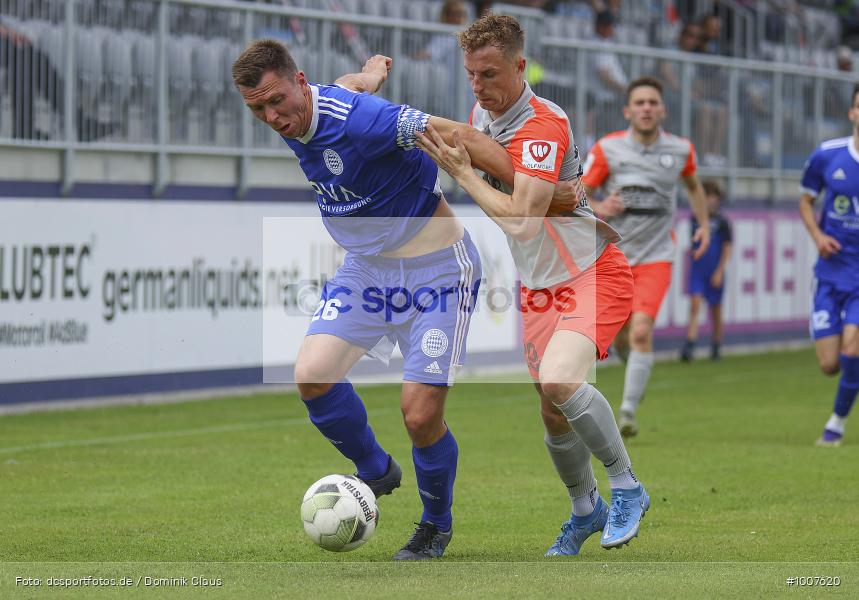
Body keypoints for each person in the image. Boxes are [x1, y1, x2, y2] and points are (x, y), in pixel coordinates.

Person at [231, 40, 513, 560]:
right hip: (367, 273)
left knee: (419, 415)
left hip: (439, 271)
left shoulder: (362, 120)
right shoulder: (315, 104)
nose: (271, 116)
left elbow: (457, 134)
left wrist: (529, 188)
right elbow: (348, 87)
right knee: (312, 375)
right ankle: (375, 470)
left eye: (276, 101)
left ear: (299, 80)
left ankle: (434, 525)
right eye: (257, 109)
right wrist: (371, 71)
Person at [416, 14, 649, 555]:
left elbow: (522, 221)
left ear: (521, 66)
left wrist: (466, 174)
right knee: (551, 405)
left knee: (562, 382)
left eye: (490, 74)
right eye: (471, 75)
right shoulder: (482, 113)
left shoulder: (542, 125)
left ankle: (628, 487)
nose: (479, 87)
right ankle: (585, 509)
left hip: (592, 270)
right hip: (540, 285)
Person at [582, 76, 710, 438]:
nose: (646, 108)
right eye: (639, 103)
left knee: (641, 331)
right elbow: (579, 195)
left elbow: (694, 187)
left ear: (663, 109)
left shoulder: (681, 150)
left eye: (653, 102)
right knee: (622, 336)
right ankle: (629, 363)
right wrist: (601, 206)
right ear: (627, 110)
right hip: (614, 257)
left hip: (657, 256)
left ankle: (627, 412)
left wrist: (703, 225)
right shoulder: (608, 149)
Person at [799, 84, 859, 447]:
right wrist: (818, 237)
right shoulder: (827, 155)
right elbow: (805, 200)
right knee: (830, 364)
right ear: (852, 112)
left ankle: (835, 424)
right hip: (831, 272)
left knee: (853, 350)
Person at [680, 180, 733, 362]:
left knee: (715, 309)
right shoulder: (695, 219)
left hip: (714, 270)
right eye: (706, 196)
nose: (709, 200)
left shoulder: (722, 222)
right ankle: (690, 343)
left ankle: (716, 344)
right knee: (695, 304)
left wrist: (720, 271)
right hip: (698, 269)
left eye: (713, 196)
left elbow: (727, 249)